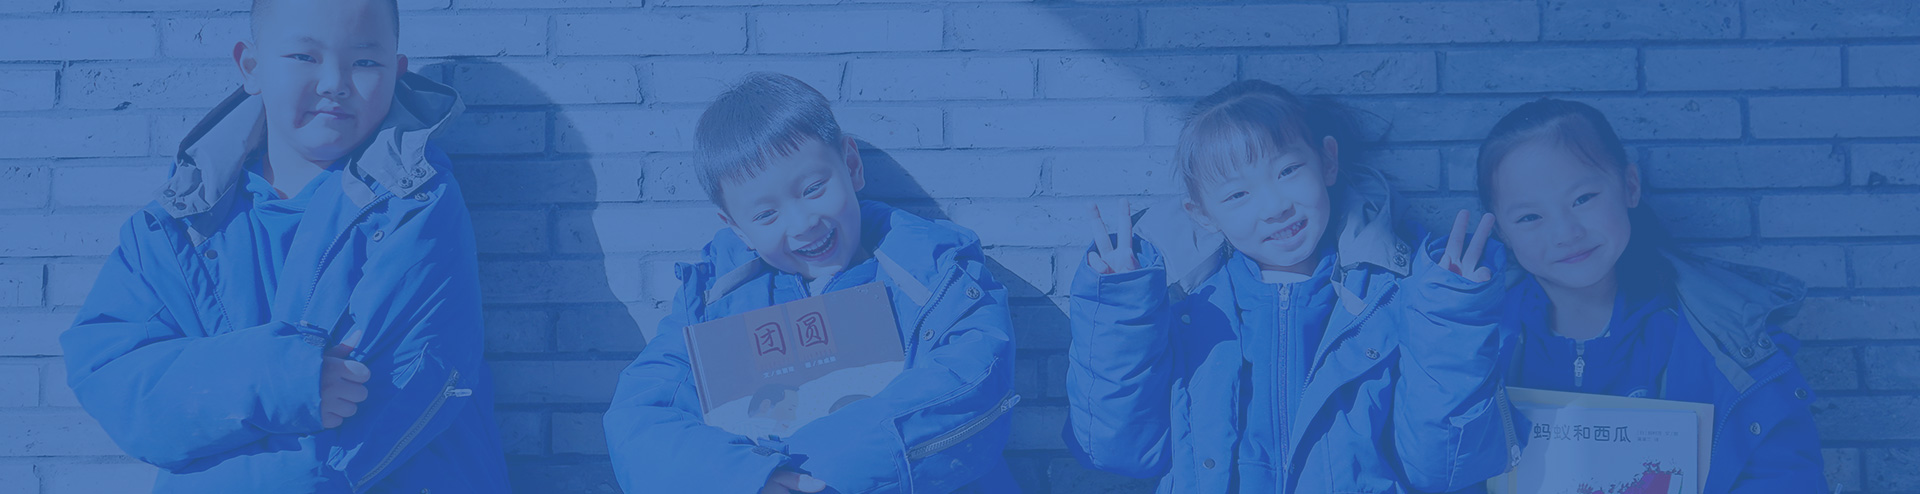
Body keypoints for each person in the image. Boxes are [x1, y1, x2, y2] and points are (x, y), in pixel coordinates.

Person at [58, 0, 508, 491]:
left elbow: (398, 394)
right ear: (251, 67)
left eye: (365, 61)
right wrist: (278, 378)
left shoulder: (417, 203)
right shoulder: (174, 224)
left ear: (396, 72)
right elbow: (117, 383)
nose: (335, 82)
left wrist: (205, 433)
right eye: (304, 57)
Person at [1064, 80, 1517, 493]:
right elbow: (1118, 451)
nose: (1275, 206)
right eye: (1237, 195)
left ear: (1328, 162)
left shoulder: (1395, 296)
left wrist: (1453, 320)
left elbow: (1443, 467)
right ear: (1202, 214)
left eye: (1287, 171)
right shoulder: (1183, 309)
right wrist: (1122, 314)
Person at [603, 72, 1021, 494]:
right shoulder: (712, 301)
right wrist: (751, 478)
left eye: (814, 189)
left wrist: (804, 477)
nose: (803, 224)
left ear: (851, 166)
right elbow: (639, 420)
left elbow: (970, 382)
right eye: (766, 215)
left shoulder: (935, 275)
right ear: (738, 228)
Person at [1453, 98, 1827, 493]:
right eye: (1530, 217)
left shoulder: (1734, 346)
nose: (1566, 233)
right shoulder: (1470, 342)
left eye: (1583, 199)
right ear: (1502, 232)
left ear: (1630, 186)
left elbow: (1782, 476)